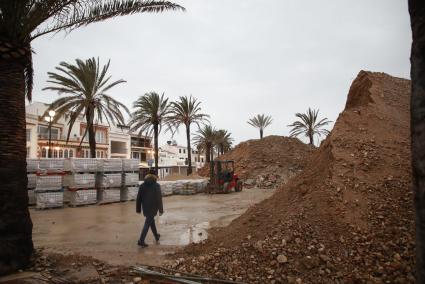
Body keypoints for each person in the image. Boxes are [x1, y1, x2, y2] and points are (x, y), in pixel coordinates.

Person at [136, 169, 163, 248]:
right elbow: (159, 198)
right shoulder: (156, 185)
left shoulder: (142, 185)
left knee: (151, 221)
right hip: (153, 207)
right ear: (155, 176)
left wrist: (138, 209)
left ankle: (156, 236)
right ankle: (141, 240)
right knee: (148, 223)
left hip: (145, 207)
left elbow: (139, 198)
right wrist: (161, 210)